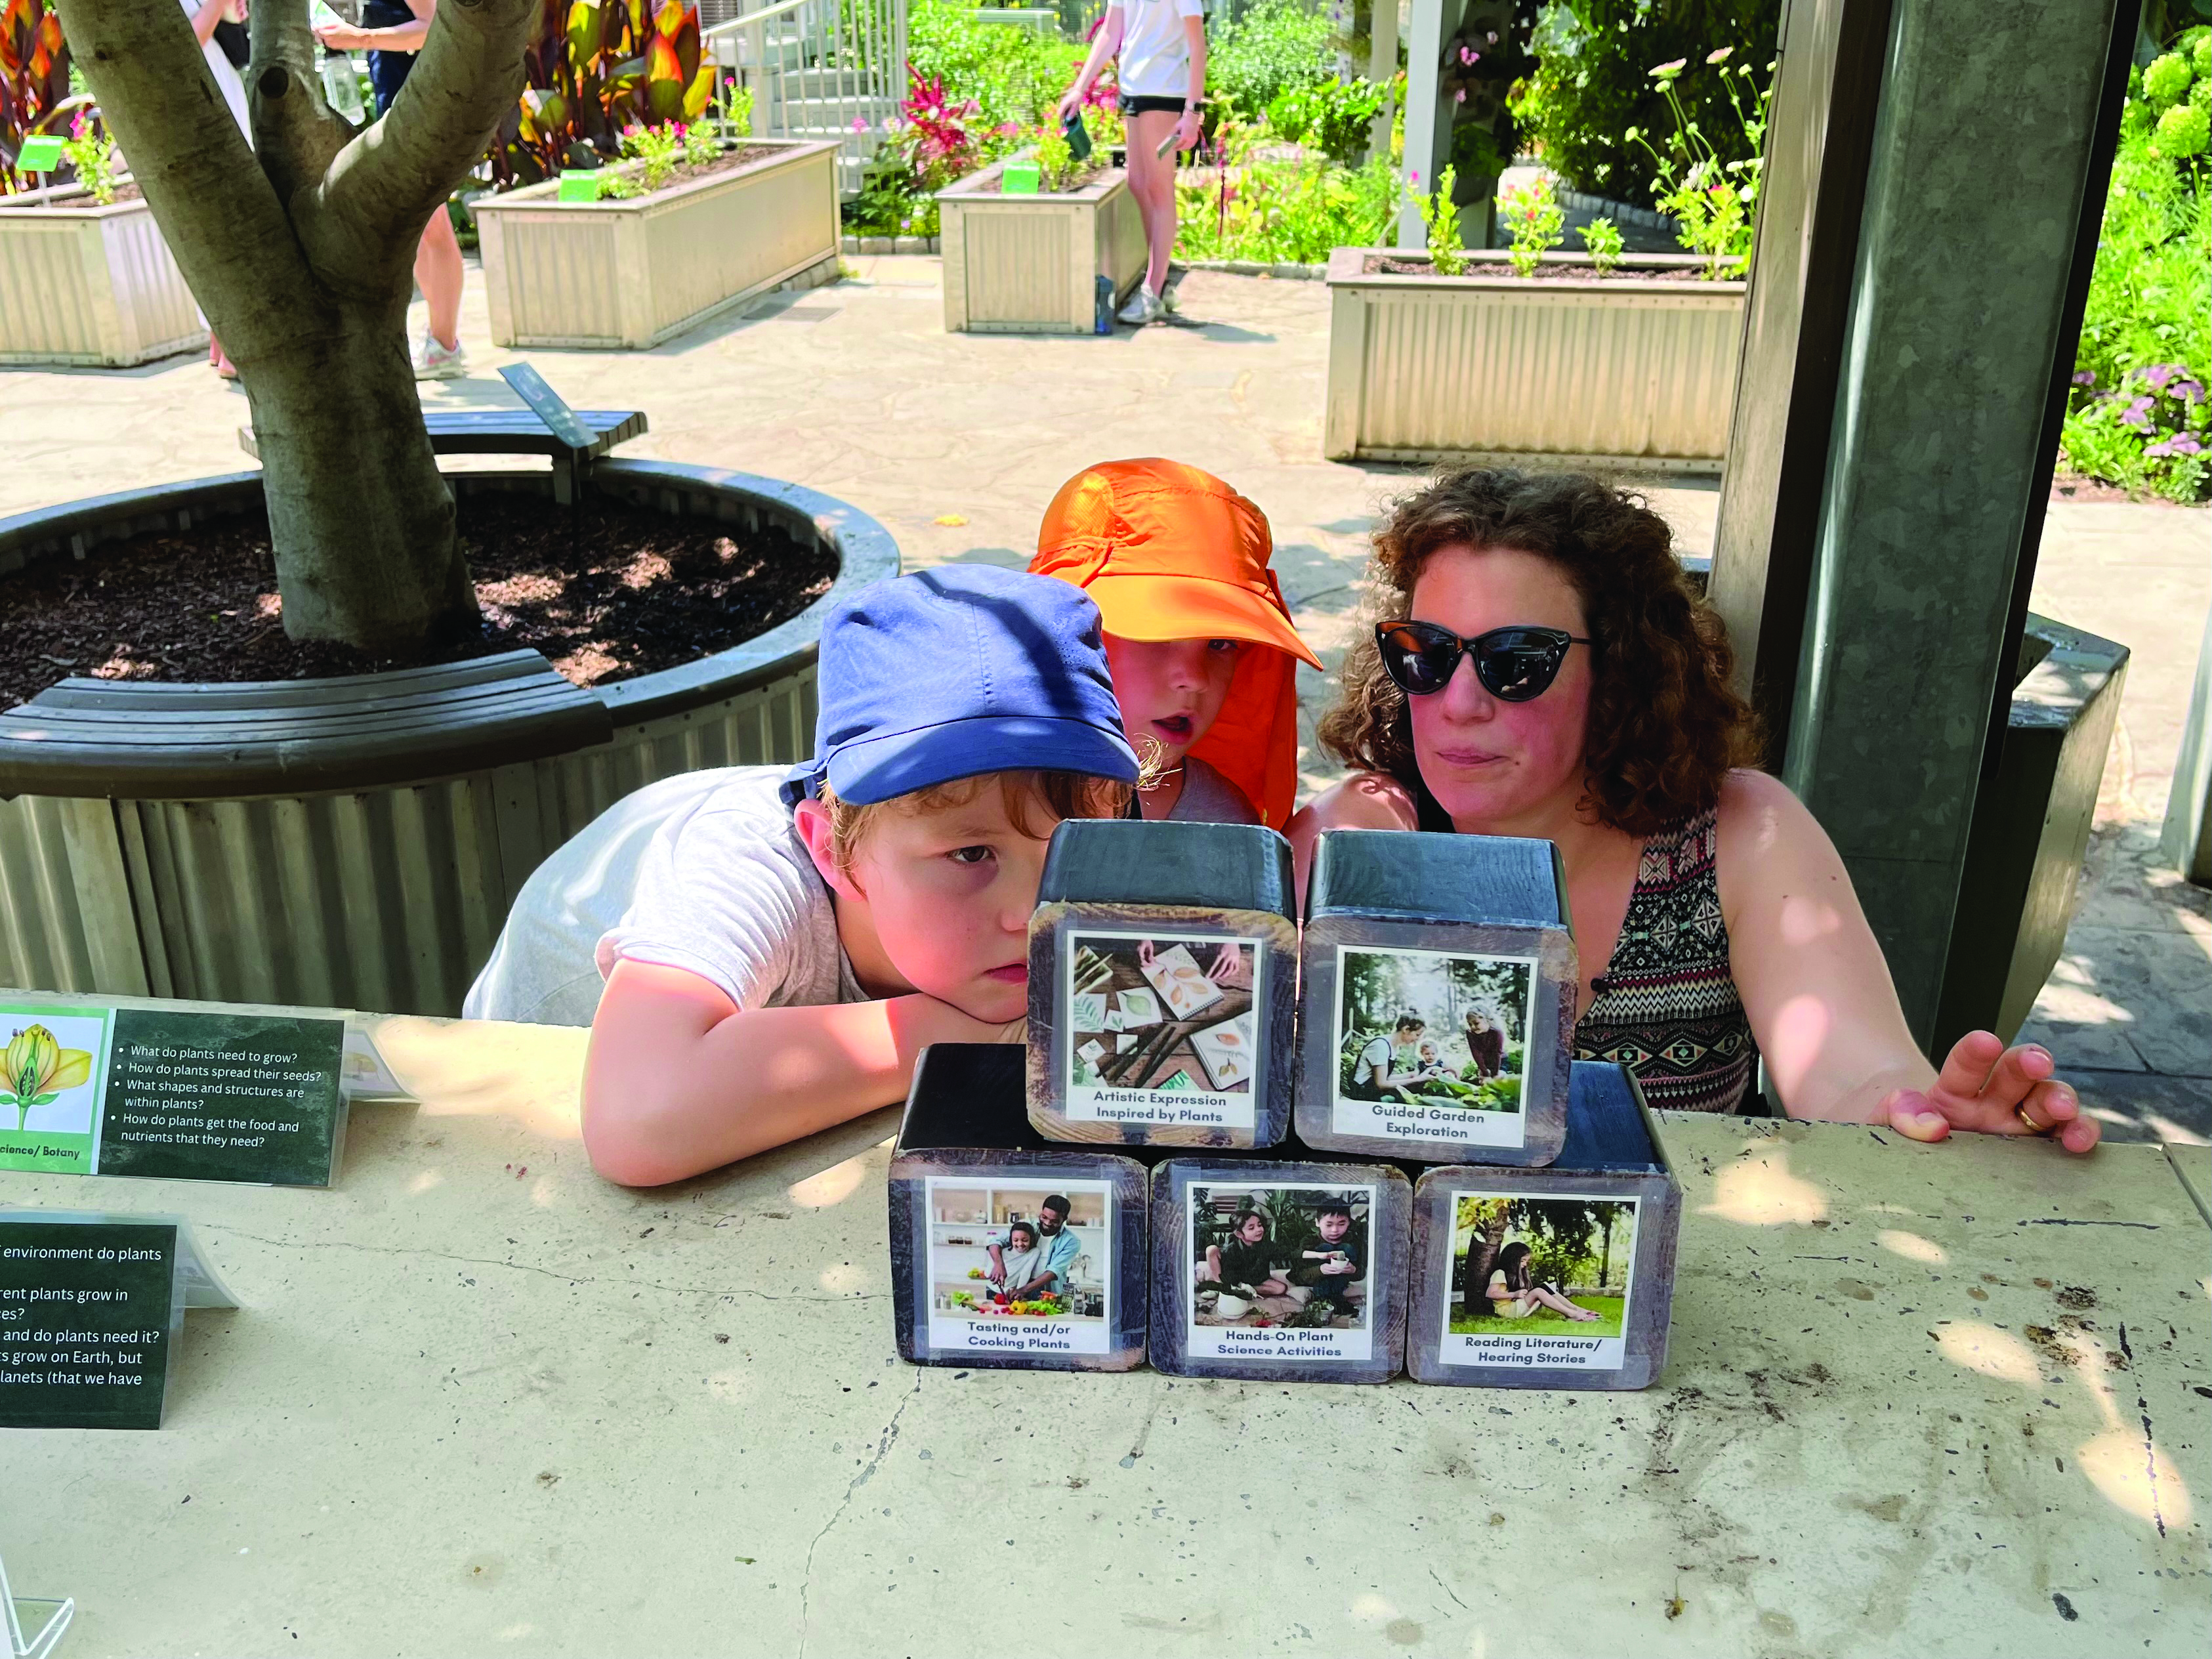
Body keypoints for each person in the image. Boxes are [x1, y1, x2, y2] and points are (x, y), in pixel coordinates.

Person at [1290, 467, 2097, 1152]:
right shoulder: (1360, 834)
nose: (1458, 702)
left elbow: (1847, 1062)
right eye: (1424, 653)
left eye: (1516, 662)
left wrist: (1914, 1113)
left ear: (1621, 673)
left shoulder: (1737, 837)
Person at [463, 566, 1140, 1185]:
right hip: (537, 1077)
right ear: (833, 851)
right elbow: (637, 1122)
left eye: (1068, 848)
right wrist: (971, 1034)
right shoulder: (745, 863)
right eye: (970, 855)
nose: (1028, 911)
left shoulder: (986, 876)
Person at [1030, 459, 1321, 826]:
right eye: (1157, 633)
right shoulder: (978, 788)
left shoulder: (1220, 824)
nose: (1195, 678)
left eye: (1221, 642)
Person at [312, 1, 468, 379]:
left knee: (433, 228)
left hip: (425, 110)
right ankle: (441, 340)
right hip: (402, 110)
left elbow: (432, 27)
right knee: (423, 231)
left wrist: (361, 38)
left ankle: (446, 346)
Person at [1056, 0, 1206, 325]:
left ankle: (1152, 291)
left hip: (1164, 93)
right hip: (1133, 90)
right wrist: (1079, 88)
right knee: (1138, 183)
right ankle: (1160, 282)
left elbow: (1197, 43)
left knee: (1159, 188)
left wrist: (1192, 112)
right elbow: (1111, 32)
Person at [184, 0, 251, 380]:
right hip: (202, 94)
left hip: (220, 79)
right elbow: (190, 39)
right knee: (220, 218)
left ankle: (219, 340)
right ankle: (229, 344)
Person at [1482, 1241, 1600, 1324]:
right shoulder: (1500, 1273)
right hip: (1508, 1311)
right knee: (1538, 1291)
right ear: (1512, 1259)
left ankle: (1576, 1309)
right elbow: (1490, 1294)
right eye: (1522, 1261)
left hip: (1516, 1307)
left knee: (1545, 1286)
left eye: (1526, 1261)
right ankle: (1571, 1314)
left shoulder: (1515, 1274)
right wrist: (1514, 1294)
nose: (1525, 1265)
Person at [1289, 1199, 1366, 1316]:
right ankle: (1322, 1301)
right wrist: (1320, 1270)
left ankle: (1336, 1300)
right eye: (1329, 1225)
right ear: (1317, 1222)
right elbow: (1298, 1275)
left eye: (1341, 1224)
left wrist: (1353, 1270)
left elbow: (1361, 1273)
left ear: (1349, 1223)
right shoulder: (1309, 1241)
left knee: (1346, 1248)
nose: (1335, 1230)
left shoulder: (1353, 1241)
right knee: (1325, 1247)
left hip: (1340, 1283)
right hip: (1316, 1281)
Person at [1343, 1013, 1432, 1101]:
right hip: (1363, 1092)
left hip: (1373, 1089)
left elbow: (1384, 1078)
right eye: (1417, 1035)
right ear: (1406, 1029)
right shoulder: (1381, 1046)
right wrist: (1417, 1080)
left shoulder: (1393, 1047)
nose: (1418, 1039)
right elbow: (1381, 1084)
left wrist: (1411, 1075)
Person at [1200, 1209, 1287, 1297]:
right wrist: (1237, 1283)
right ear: (1239, 1234)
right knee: (1211, 1249)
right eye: (1251, 1228)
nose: (1259, 1230)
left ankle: (1245, 1290)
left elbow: (1284, 1253)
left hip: (1255, 1280)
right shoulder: (1232, 1249)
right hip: (1235, 1279)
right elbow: (1229, 1273)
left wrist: (1300, 1254)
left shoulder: (1266, 1245)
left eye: (1260, 1225)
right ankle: (1220, 1287)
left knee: (1280, 1288)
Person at [1463, 1005, 1505, 1080]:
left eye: (1476, 1023)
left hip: (1500, 1062)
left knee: (1496, 1080)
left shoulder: (1496, 1032)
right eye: (1470, 1024)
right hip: (1485, 1063)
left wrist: (1495, 1074)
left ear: (1487, 1020)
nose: (1473, 1027)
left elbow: (1497, 1053)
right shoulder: (1471, 1034)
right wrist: (1485, 1072)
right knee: (1483, 1081)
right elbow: (1476, 1053)